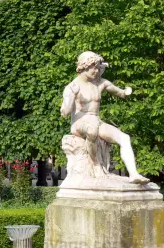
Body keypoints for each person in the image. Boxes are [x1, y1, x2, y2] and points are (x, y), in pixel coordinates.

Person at [60, 51, 149, 184]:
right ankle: (96, 165)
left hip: (96, 120)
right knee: (92, 130)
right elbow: (65, 113)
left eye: (98, 68)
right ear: (84, 67)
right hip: (80, 123)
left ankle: (134, 174)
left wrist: (126, 93)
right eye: (93, 68)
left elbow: (119, 92)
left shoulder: (100, 83)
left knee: (125, 138)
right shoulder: (73, 87)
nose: (96, 71)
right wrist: (72, 96)